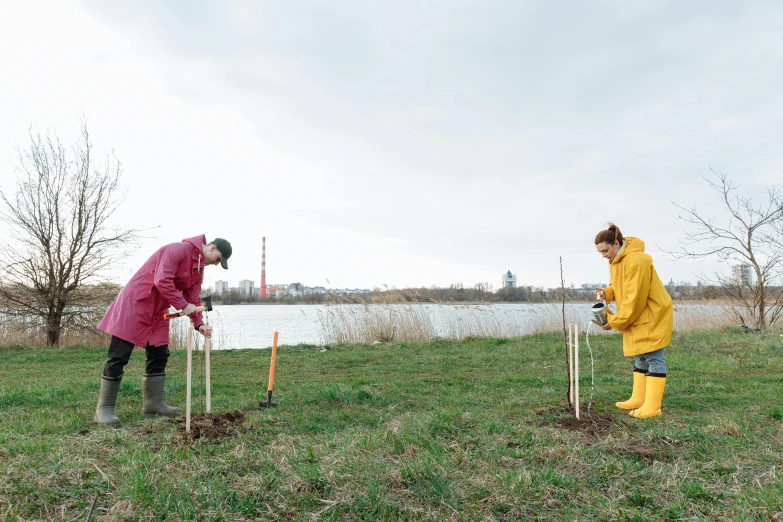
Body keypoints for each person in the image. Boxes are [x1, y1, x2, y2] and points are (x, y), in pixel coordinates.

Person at [94, 235, 232, 426]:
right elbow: (162, 280)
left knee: (160, 354)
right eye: (218, 259)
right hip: (136, 303)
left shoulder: (198, 270)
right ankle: (105, 408)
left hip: (158, 312)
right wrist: (183, 305)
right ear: (213, 248)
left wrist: (199, 324)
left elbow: (193, 299)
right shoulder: (177, 250)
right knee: (119, 355)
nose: (217, 264)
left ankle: (153, 404)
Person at [595, 224, 672, 418]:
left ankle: (653, 407)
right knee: (639, 355)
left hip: (650, 312)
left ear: (616, 243)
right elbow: (619, 287)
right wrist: (607, 292)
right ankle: (639, 399)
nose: (603, 255)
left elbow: (634, 298)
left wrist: (614, 321)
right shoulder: (616, 260)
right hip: (637, 314)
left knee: (653, 357)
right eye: (600, 252)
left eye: (605, 250)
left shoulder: (637, 260)